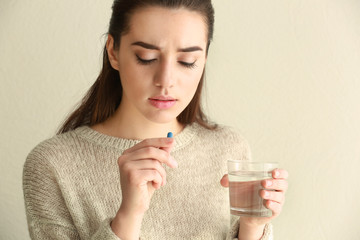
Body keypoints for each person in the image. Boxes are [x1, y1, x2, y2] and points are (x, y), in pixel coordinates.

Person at [23, 0, 289, 239]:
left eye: (186, 61)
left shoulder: (229, 148)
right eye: (146, 57)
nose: (166, 80)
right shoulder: (53, 165)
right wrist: (127, 216)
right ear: (113, 52)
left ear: (205, 59)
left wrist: (252, 226)